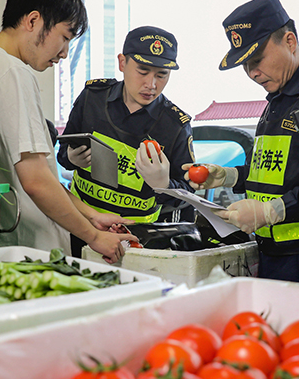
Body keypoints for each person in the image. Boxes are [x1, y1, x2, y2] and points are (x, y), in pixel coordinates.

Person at [185, 0, 299, 286]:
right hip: (273, 253)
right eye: (245, 65)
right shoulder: (278, 99)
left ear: (290, 41)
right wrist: (230, 176)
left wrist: (271, 211)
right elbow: (276, 172)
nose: (252, 73)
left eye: (257, 60)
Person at [0, 0, 136, 263]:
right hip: (28, 250)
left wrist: (92, 215)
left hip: (1, 244)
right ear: (33, 21)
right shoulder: (12, 73)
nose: (65, 53)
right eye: (64, 38)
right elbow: (36, 181)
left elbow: (39, 174)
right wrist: (94, 238)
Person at [58, 25, 196, 256]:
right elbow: (64, 151)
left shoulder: (175, 125)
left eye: (162, 75)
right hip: (81, 226)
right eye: (142, 71)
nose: (151, 84)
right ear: (122, 63)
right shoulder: (92, 98)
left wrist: (164, 186)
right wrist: (71, 158)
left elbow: (187, 197)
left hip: (135, 239)